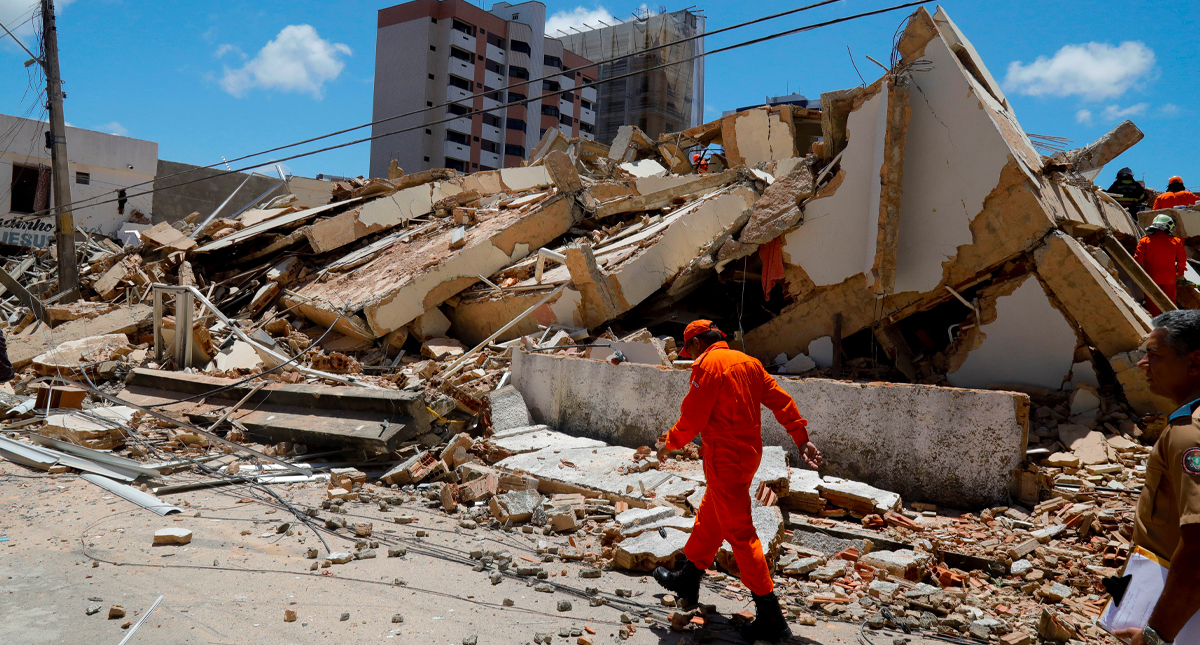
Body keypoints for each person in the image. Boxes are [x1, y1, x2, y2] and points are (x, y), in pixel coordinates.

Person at [653, 320, 822, 643]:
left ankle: (771, 615)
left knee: (741, 535)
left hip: (724, 459)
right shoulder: (749, 363)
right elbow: (782, 402)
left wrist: (669, 442)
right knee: (711, 516)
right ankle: (688, 579)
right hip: (747, 457)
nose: (691, 357)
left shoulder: (709, 365)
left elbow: (693, 417)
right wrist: (801, 439)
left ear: (698, 345)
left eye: (690, 351)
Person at [1115, 310, 1200, 644]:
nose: (1143, 364)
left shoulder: (1190, 432)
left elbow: (1197, 547)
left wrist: (1155, 637)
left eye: (1154, 355)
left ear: (1195, 362)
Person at [1136, 214, 1187, 316]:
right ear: (1169, 226)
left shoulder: (1145, 240)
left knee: (1152, 302)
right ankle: (1171, 326)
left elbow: (1137, 259)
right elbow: (1182, 260)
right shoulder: (1176, 241)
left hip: (1150, 277)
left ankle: (1155, 325)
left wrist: (1138, 275)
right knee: (1169, 302)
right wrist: (1179, 273)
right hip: (1169, 278)